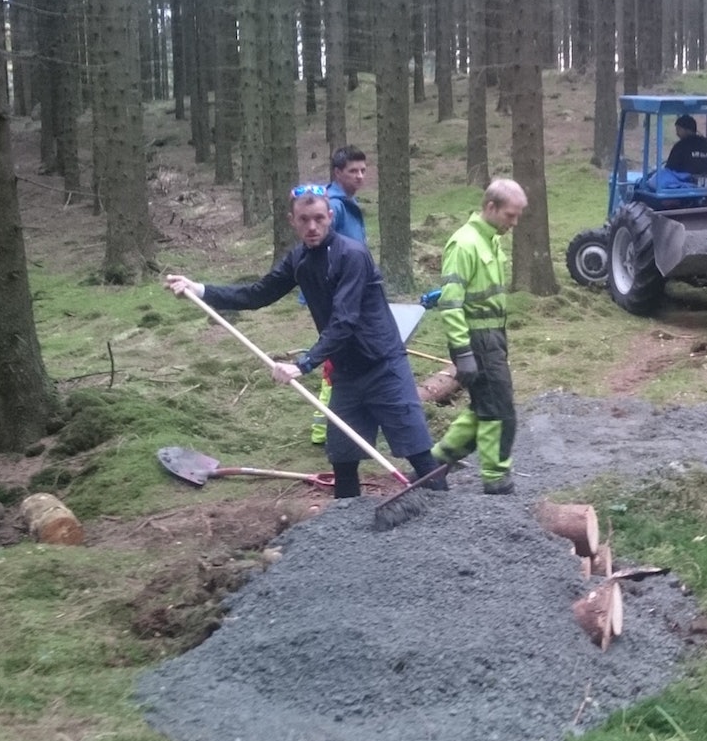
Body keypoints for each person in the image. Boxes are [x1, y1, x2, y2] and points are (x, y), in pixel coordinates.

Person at [165, 186, 445, 500]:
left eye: (318, 219)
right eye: (304, 220)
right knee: (342, 458)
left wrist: (303, 364)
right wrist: (199, 288)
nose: (312, 227)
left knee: (417, 450)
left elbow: (344, 320)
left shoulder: (352, 255)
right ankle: (347, 527)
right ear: (292, 221)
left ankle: (447, 515)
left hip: (383, 365)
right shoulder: (298, 259)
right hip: (346, 374)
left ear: (331, 217)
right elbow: (257, 294)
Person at [430, 179, 528, 495]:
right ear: (490, 207)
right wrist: (463, 351)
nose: (514, 223)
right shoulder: (465, 244)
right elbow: (450, 303)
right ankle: (496, 478)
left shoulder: (490, 240)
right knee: (499, 410)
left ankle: (436, 461)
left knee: (485, 404)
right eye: (510, 215)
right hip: (477, 339)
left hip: (493, 336)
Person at [309, 145, 371, 443]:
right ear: (337, 173)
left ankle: (342, 423)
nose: (360, 176)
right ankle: (328, 426)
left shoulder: (346, 202)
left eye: (363, 170)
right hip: (339, 295)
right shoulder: (332, 207)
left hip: (353, 291)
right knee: (336, 360)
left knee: (345, 358)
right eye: (352, 171)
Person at [665, 114, 707, 184]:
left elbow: (668, 171)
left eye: (678, 129)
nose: (677, 133)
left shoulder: (680, 147)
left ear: (686, 129)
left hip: (685, 190)